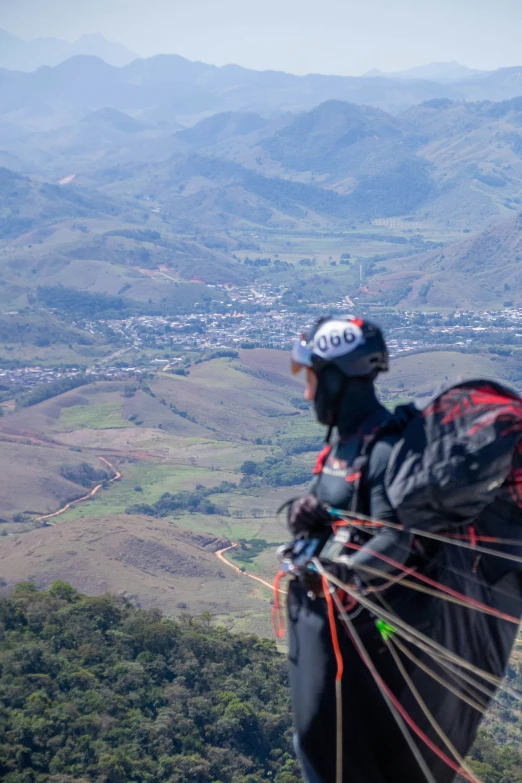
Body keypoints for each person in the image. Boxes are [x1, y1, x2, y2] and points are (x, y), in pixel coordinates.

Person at [283, 316, 522, 783]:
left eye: (311, 378)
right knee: (320, 744)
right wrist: (306, 514)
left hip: (374, 648)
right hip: (338, 637)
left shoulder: (388, 449)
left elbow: (397, 538)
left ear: (334, 377)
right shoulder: (342, 446)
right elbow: (346, 515)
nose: (308, 393)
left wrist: (345, 574)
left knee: (353, 757)